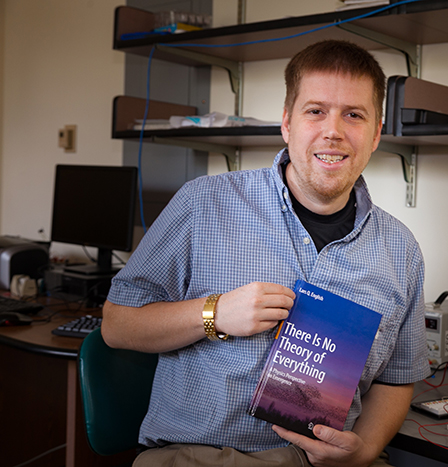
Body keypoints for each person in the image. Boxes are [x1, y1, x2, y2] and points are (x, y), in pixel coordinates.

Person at [102, 39, 430, 467]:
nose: (333, 130)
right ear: (287, 124)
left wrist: (364, 449)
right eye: (315, 111)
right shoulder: (203, 204)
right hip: (205, 456)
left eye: (353, 114)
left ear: (375, 135)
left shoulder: (401, 250)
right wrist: (214, 314)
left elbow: (396, 380)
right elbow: (117, 325)